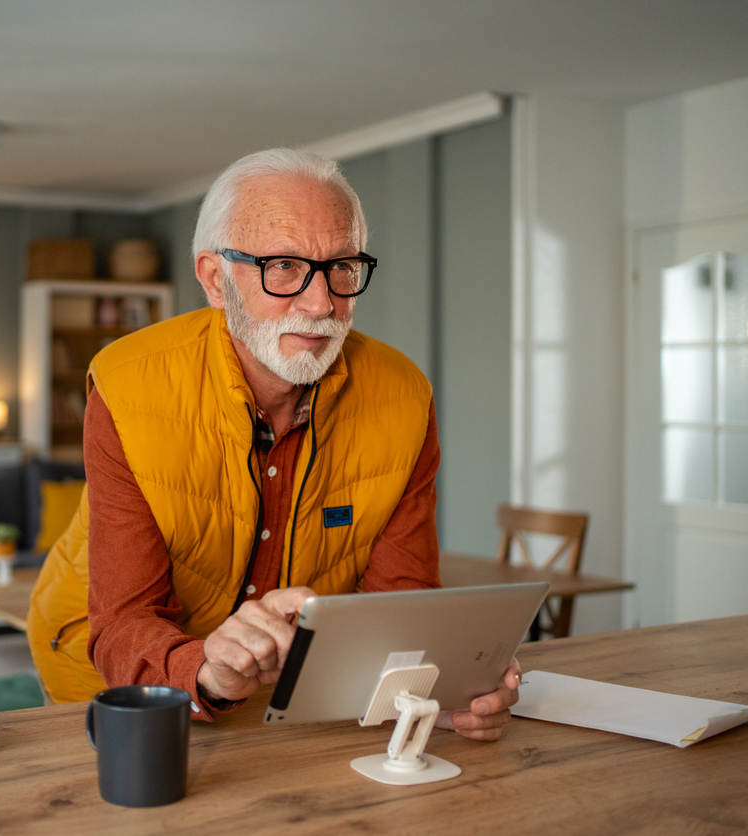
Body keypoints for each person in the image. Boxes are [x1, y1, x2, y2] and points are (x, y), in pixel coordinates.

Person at [27, 148, 520, 741]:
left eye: (342, 267)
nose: (322, 304)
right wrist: (206, 670)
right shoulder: (128, 386)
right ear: (215, 279)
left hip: (291, 684)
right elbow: (125, 618)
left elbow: (400, 602)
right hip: (114, 667)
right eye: (283, 265)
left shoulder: (405, 396)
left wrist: (455, 681)